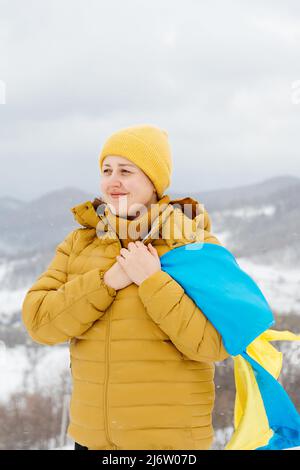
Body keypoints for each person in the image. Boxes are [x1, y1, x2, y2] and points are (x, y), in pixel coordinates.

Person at [22, 124, 229, 451]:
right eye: (106, 170)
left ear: (153, 181)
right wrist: (106, 282)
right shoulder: (80, 243)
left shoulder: (192, 244)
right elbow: (39, 322)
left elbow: (214, 343)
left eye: (125, 170)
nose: (112, 181)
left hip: (167, 445)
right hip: (92, 441)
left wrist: (152, 282)